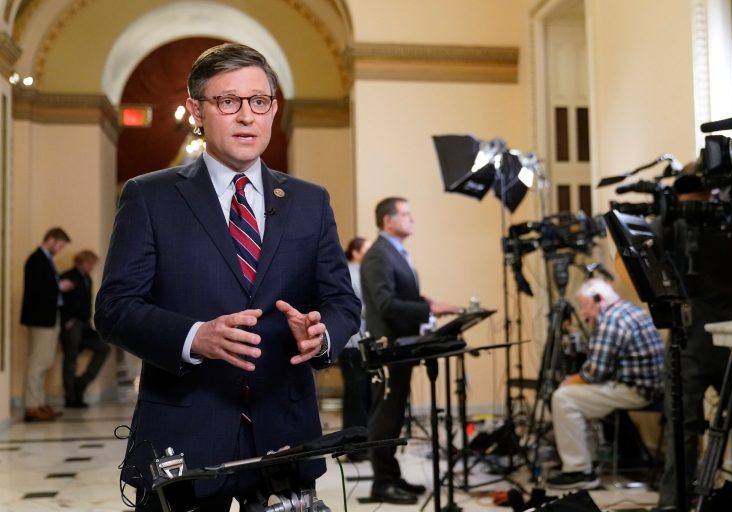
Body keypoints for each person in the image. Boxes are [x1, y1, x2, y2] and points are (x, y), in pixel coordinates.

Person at [94, 43, 360, 511]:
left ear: (273, 109)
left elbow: (343, 302)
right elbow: (114, 310)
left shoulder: (310, 201)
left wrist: (320, 337)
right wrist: (193, 337)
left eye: (259, 102)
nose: (246, 117)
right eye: (228, 101)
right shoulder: (149, 197)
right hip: (183, 435)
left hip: (285, 436)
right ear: (197, 109)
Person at [655, 175, 732, 511]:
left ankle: (673, 504)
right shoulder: (730, 218)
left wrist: (666, 214)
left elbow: (649, 248)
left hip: (691, 338)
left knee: (682, 428)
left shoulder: (674, 226)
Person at [361, 196, 461, 505]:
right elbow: (386, 304)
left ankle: (392, 475)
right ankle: (382, 483)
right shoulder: (380, 254)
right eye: (405, 214)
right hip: (388, 348)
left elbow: (401, 294)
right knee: (385, 417)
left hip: (403, 347)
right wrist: (429, 310)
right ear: (387, 221)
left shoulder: (395, 252)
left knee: (394, 416)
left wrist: (426, 303)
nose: (412, 219)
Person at [545, 278, 664, 491]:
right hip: (651, 386)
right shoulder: (627, 310)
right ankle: (589, 462)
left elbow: (594, 373)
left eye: (584, 305)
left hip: (636, 391)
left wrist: (567, 382)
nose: (583, 313)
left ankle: (579, 470)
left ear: (597, 299)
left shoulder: (611, 320)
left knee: (563, 397)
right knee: (577, 395)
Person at [20, 227, 74, 422]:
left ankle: (39, 403)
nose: (59, 249)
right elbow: (37, 288)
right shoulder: (36, 259)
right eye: (59, 245)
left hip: (49, 317)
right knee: (38, 362)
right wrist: (59, 287)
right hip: (40, 318)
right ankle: (32, 406)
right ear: (50, 239)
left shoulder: (46, 260)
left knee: (44, 362)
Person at [60, 250, 111, 408]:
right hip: (72, 324)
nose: (92, 267)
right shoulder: (68, 276)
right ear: (81, 262)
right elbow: (59, 300)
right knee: (71, 358)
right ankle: (70, 397)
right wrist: (66, 320)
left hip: (85, 325)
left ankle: (81, 383)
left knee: (104, 348)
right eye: (90, 264)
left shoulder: (87, 279)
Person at [338, 236, 372, 462]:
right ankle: (355, 449)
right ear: (356, 252)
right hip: (352, 344)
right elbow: (359, 306)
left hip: (362, 342)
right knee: (356, 397)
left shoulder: (362, 271)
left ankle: (363, 445)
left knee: (363, 395)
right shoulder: (352, 272)